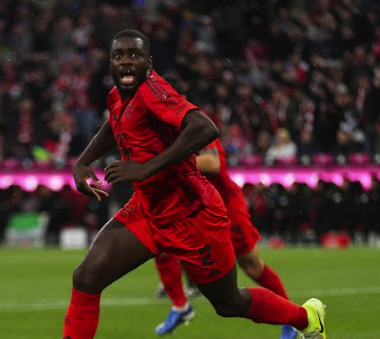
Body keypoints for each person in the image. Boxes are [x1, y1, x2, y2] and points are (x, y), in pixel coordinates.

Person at [62, 29, 326, 339]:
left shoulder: (154, 91)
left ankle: (307, 317)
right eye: (118, 56)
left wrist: (146, 168)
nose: (125, 62)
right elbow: (114, 124)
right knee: (86, 277)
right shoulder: (118, 96)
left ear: (149, 62)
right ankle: (179, 304)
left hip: (191, 215)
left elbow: (205, 128)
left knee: (230, 303)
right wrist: (82, 162)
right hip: (148, 211)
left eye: (134, 55)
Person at [153, 138, 297, 339]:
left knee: (251, 265)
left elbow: (213, 163)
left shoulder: (190, 120)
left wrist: (163, 161)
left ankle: (292, 318)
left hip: (225, 205)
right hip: (193, 206)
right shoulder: (160, 129)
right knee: (159, 245)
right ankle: (180, 306)